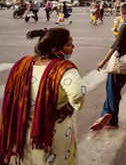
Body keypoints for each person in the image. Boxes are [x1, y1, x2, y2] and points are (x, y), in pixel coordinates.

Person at [0, 28, 85, 165]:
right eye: (69, 44)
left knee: (27, 159)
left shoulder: (22, 64)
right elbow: (77, 96)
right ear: (55, 50)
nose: (73, 47)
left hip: (24, 129)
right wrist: (71, 106)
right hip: (51, 131)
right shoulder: (64, 69)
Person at [90, 3, 126, 130]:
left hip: (120, 61)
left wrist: (103, 61)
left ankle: (111, 119)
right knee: (115, 89)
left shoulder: (125, 25)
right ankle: (106, 114)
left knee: (112, 89)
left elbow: (115, 45)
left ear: (122, 13)